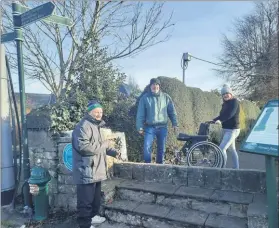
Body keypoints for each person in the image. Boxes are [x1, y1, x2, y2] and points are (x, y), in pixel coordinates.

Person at [72, 100, 119, 228]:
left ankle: (92, 217)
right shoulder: (83, 126)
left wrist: (114, 152)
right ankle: (84, 224)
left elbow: (101, 147)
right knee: (85, 202)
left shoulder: (96, 126)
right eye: (96, 112)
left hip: (96, 170)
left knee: (95, 200)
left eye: (101, 112)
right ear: (89, 112)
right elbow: (84, 147)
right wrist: (105, 144)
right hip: (86, 170)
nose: (99, 114)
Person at [136, 78, 178, 164]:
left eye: (156, 85)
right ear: (150, 86)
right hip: (149, 127)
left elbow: (172, 111)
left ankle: (160, 166)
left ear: (159, 86)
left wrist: (175, 123)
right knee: (147, 146)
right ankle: (147, 165)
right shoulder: (145, 98)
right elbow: (140, 113)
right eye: (153, 85)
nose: (155, 87)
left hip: (163, 127)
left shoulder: (166, 97)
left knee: (161, 148)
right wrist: (139, 127)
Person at [212, 84, 240, 169]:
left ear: (231, 94)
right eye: (223, 94)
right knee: (232, 149)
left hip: (232, 130)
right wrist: (213, 120)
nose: (225, 95)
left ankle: (222, 169)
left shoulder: (235, 102)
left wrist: (221, 121)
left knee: (221, 149)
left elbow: (230, 114)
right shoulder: (225, 104)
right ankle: (236, 169)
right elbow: (222, 115)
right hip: (225, 129)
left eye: (227, 93)